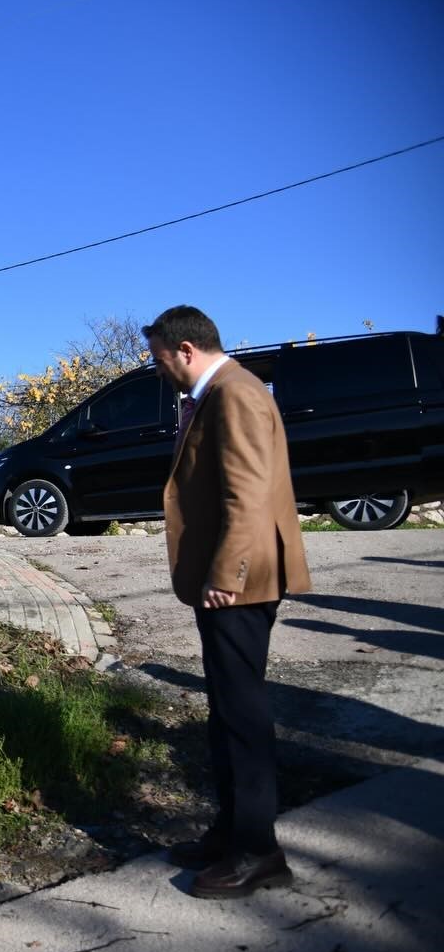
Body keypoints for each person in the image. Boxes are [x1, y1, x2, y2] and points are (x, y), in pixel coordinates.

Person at [143, 305, 311, 899]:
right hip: (231, 578)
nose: (158, 368)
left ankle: (259, 852)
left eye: (160, 358)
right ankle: (231, 832)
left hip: (239, 580)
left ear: (186, 349)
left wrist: (228, 572)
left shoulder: (234, 393)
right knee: (225, 708)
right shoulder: (223, 393)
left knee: (242, 716)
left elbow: (248, 491)